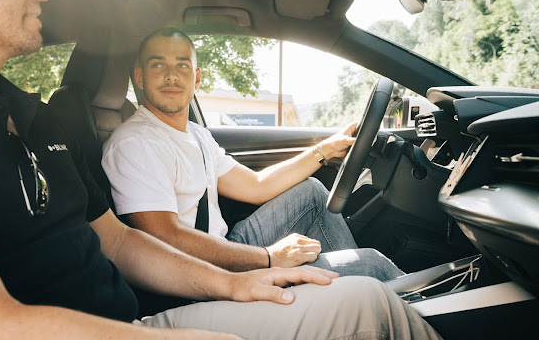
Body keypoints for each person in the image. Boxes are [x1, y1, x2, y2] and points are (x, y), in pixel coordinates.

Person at [0, 0, 441, 339]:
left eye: (185, 66)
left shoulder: (39, 115)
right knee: (367, 301)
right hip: (115, 329)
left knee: (362, 297)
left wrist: (238, 283)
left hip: (129, 321)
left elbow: (116, 241)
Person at [102, 27, 404, 280]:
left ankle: (351, 295)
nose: (171, 75)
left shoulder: (196, 134)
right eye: (158, 65)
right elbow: (164, 238)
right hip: (196, 275)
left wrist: (326, 148)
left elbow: (256, 186)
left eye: (182, 65)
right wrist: (268, 258)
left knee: (312, 193)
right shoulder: (135, 143)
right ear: (140, 78)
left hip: (218, 247)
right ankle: (372, 297)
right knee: (370, 266)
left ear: (196, 79)